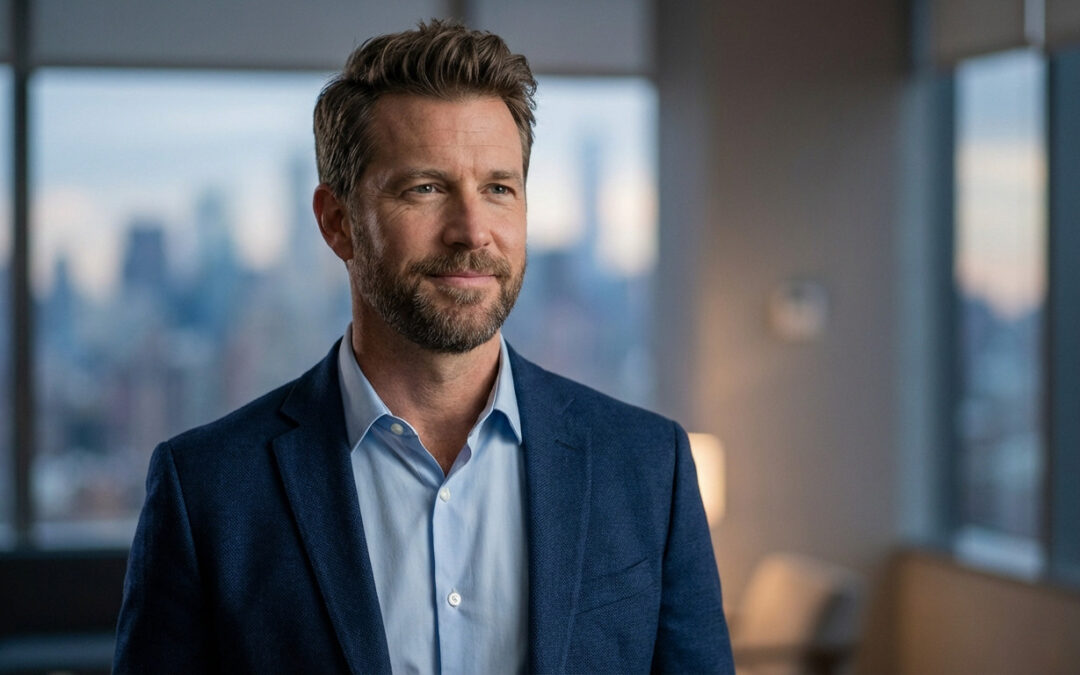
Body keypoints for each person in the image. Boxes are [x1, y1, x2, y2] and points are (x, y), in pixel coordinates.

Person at [113, 19, 733, 674]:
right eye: (426, 189)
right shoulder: (208, 489)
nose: (472, 231)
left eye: (498, 188)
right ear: (337, 222)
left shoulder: (648, 467)